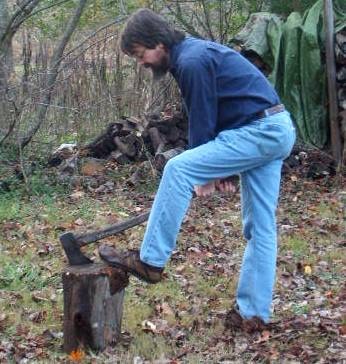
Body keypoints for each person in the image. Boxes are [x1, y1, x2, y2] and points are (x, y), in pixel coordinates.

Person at [99, 8, 296, 326]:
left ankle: (150, 260)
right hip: (273, 128)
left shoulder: (190, 61)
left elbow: (202, 121)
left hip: (261, 131)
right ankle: (254, 314)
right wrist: (223, 170)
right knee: (260, 228)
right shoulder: (193, 54)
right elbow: (227, 109)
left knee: (178, 169)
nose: (142, 63)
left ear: (158, 43)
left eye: (140, 54)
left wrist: (205, 174)